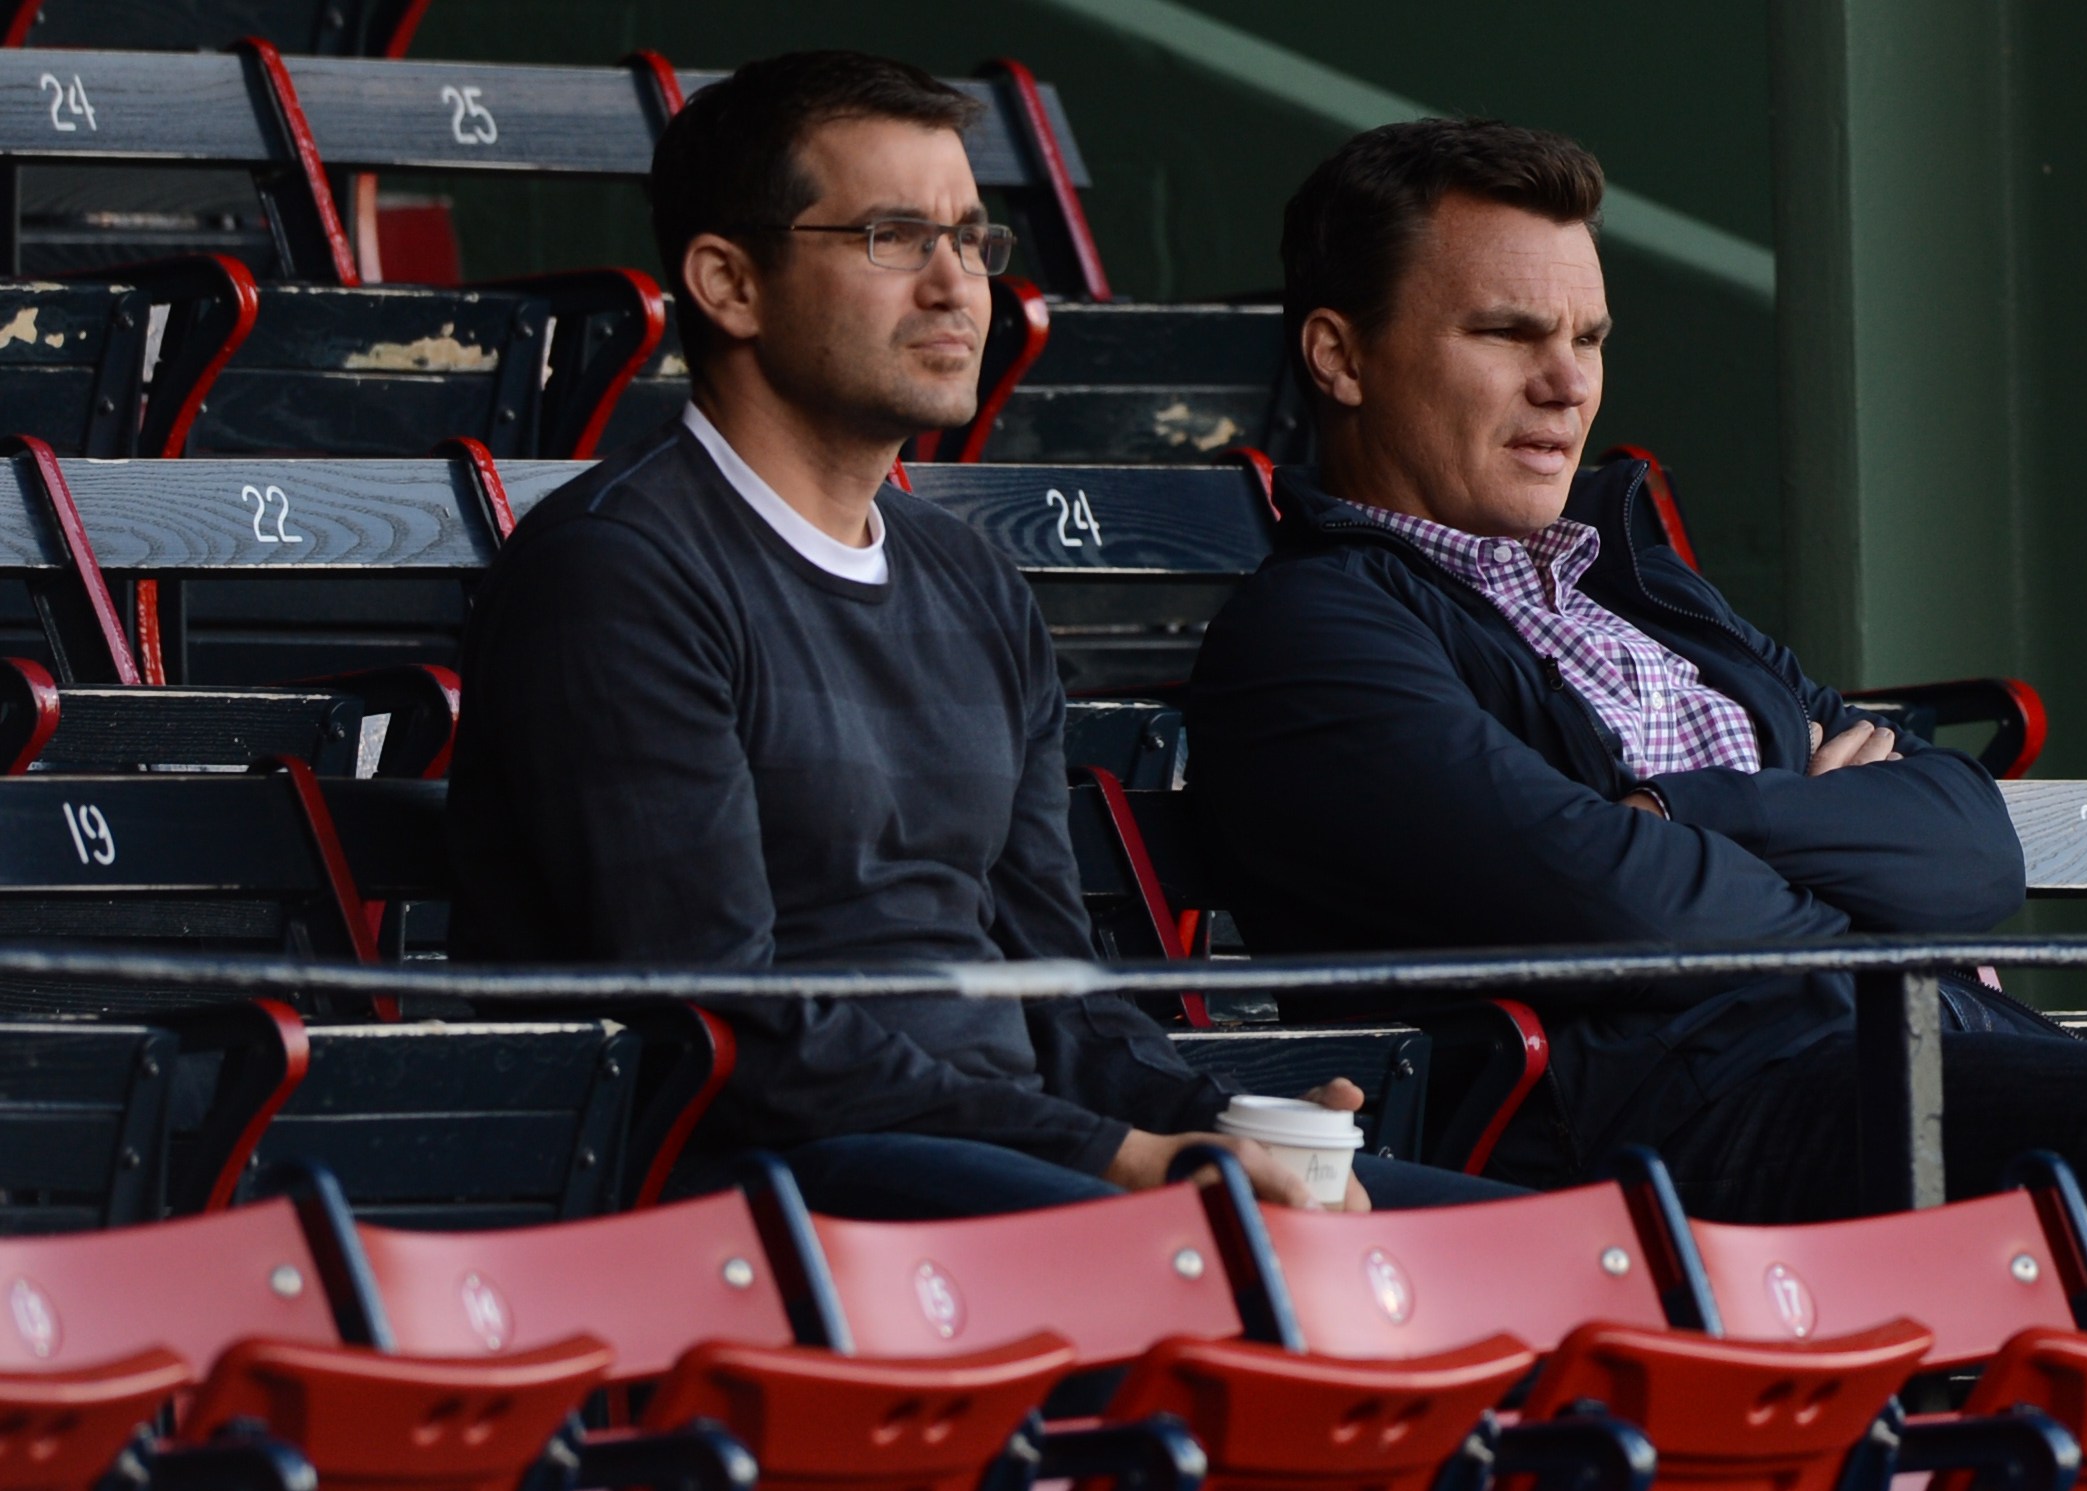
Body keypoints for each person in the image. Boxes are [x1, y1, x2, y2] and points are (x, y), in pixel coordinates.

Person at [1186, 116, 2087, 1225]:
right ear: (1341, 357)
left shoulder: (1635, 588)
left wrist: (1685, 813)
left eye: (1589, 338)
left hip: (1906, 1050)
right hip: (1668, 1127)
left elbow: (1969, 845)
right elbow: (1621, 906)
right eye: (1506, 333)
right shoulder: (1313, 637)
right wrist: (1827, 842)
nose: (1568, 383)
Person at [444, 51, 1514, 1219]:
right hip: (764, 1185)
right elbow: (731, 1031)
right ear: (727, 283)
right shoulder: (619, 572)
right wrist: (1121, 1159)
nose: (960, 287)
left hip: (1003, 1155)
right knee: (1243, 1260)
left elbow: (1060, 987)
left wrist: (1215, 1124)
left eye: (972, 239)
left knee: (1528, 1251)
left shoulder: (969, 575)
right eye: (895, 239)